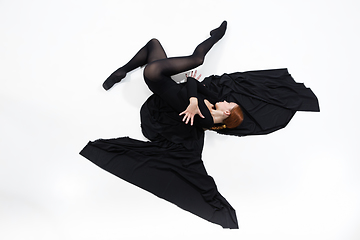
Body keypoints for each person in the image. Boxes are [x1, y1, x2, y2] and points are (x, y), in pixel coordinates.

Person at [80, 21, 320, 229]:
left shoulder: (204, 117)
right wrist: (194, 94)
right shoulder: (212, 111)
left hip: (155, 77)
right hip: (161, 79)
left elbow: (191, 83)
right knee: (153, 45)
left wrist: (194, 95)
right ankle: (122, 71)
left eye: (229, 103)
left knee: (196, 59)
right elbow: (194, 84)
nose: (226, 99)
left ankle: (215, 36)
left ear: (226, 113)